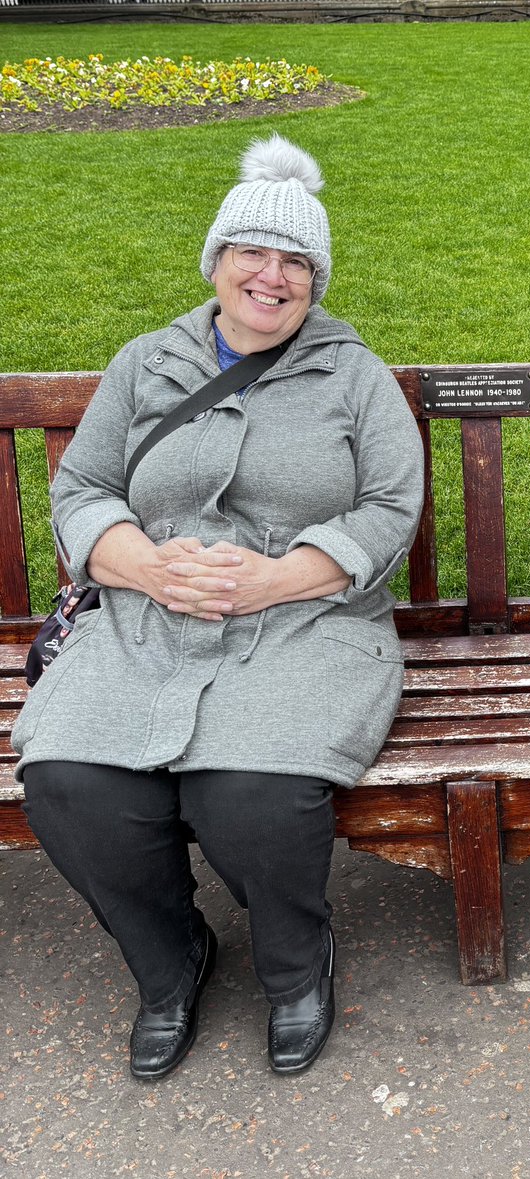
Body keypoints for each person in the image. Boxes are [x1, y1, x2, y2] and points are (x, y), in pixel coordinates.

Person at [14, 134, 424, 1080]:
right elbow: (82, 490)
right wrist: (145, 567)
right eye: (253, 252)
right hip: (145, 619)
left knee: (248, 788)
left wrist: (277, 577)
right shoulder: (145, 363)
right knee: (71, 782)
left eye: (295, 263)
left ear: (316, 280)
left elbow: (392, 505)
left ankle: (294, 968)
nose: (271, 277)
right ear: (218, 258)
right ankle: (169, 963)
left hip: (308, 622)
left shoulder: (353, 374)